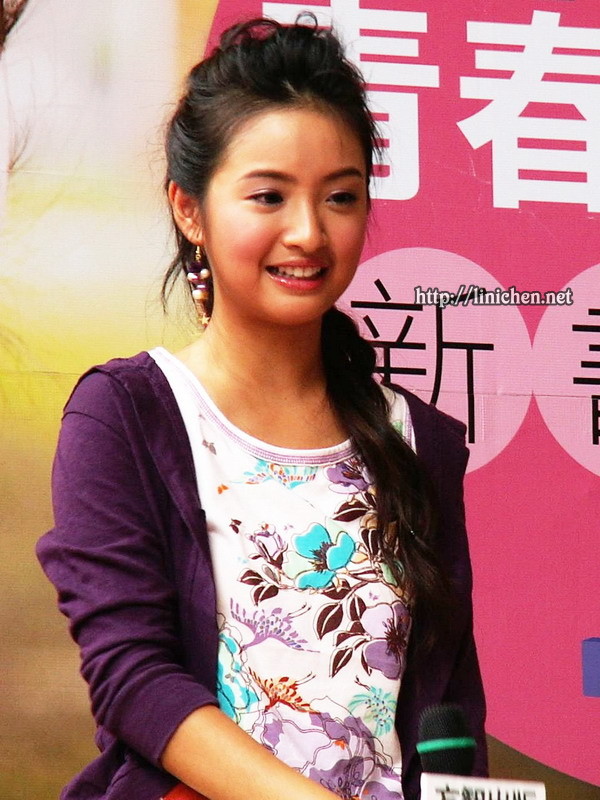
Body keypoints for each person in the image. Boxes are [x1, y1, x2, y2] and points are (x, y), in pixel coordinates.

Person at [37, 16, 487, 800]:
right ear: (189, 209)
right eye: (269, 196)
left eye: (340, 197)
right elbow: (133, 678)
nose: (308, 232)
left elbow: (448, 721)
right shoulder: (128, 416)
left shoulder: (418, 440)